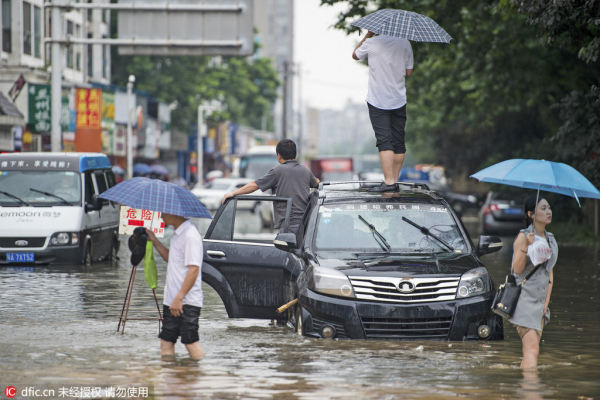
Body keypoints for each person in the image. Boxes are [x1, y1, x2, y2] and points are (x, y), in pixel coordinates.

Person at [353, 31, 414, 192]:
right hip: (398, 99)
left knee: (384, 141)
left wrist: (367, 35)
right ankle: (393, 180)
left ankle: (388, 182)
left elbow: (355, 55)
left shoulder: (371, 42)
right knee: (398, 141)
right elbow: (409, 72)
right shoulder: (405, 43)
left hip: (377, 100)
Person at [221, 139, 319, 234]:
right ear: (296, 154)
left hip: (288, 226)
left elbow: (255, 185)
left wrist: (233, 193)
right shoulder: (306, 171)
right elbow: (316, 183)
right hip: (307, 225)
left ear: (278, 156)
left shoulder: (278, 171)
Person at [146, 213, 205, 360]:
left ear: (176, 213)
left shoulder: (190, 235)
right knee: (166, 340)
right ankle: (170, 377)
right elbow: (170, 257)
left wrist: (179, 297)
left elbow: (194, 269)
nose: (160, 215)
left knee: (190, 341)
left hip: (186, 301)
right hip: (172, 300)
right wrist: (154, 240)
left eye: (164, 211)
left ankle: (199, 377)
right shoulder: (177, 234)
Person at [509, 195, 558, 369]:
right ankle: (532, 390)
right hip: (524, 300)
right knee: (533, 349)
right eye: (543, 208)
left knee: (530, 351)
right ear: (531, 213)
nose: (548, 212)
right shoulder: (524, 237)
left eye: (549, 208)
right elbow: (517, 270)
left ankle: (526, 390)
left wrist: (546, 303)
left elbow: (549, 272)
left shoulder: (551, 239)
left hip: (540, 304)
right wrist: (526, 247)